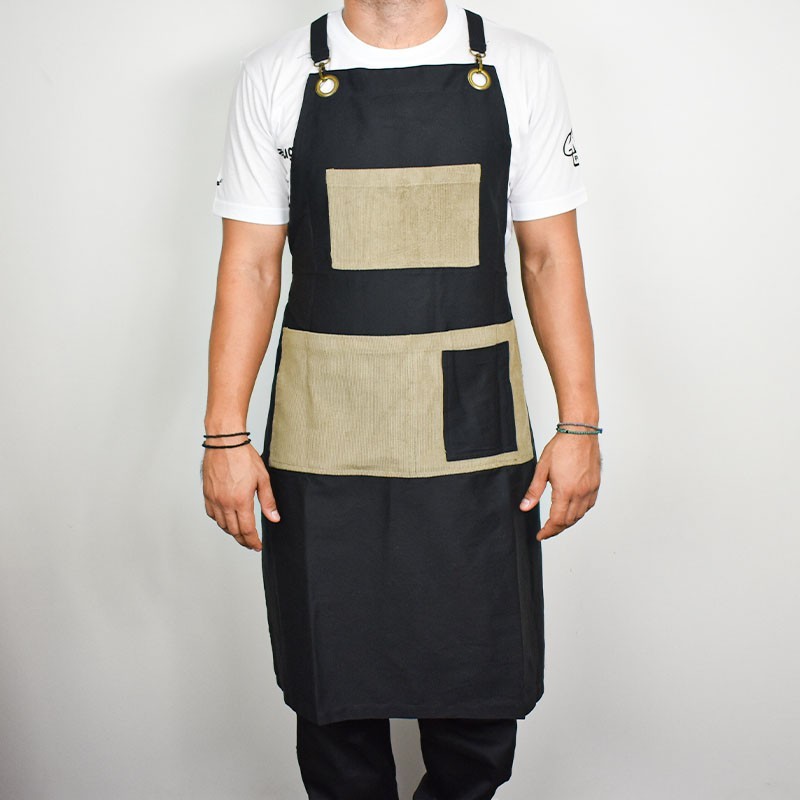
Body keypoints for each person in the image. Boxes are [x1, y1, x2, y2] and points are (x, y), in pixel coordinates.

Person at [202, 0, 602, 797]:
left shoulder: (519, 65)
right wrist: (224, 437)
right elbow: (251, 263)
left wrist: (580, 424)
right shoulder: (277, 73)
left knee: (480, 695)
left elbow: (549, 256)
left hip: (473, 426)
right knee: (335, 703)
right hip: (325, 428)